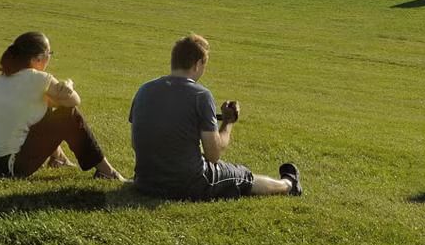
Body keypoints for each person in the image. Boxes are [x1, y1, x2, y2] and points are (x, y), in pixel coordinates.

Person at [129, 33, 300, 201]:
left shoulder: (144, 90)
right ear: (198, 64)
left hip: (145, 182)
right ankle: (289, 184)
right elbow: (213, 155)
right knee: (241, 175)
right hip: (188, 184)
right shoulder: (200, 95)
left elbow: (137, 142)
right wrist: (228, 123)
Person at [0, 31, 124, 180]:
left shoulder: (3, 77)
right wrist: (69, 84)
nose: (50, 58)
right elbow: (73, 102)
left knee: (44, 106)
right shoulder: (38, 78)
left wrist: (56, 95)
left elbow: (44, 109)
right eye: (49, 53)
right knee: (68, 114)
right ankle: (106, 171)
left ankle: (58, 158)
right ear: (37, 59)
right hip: (2, 166)